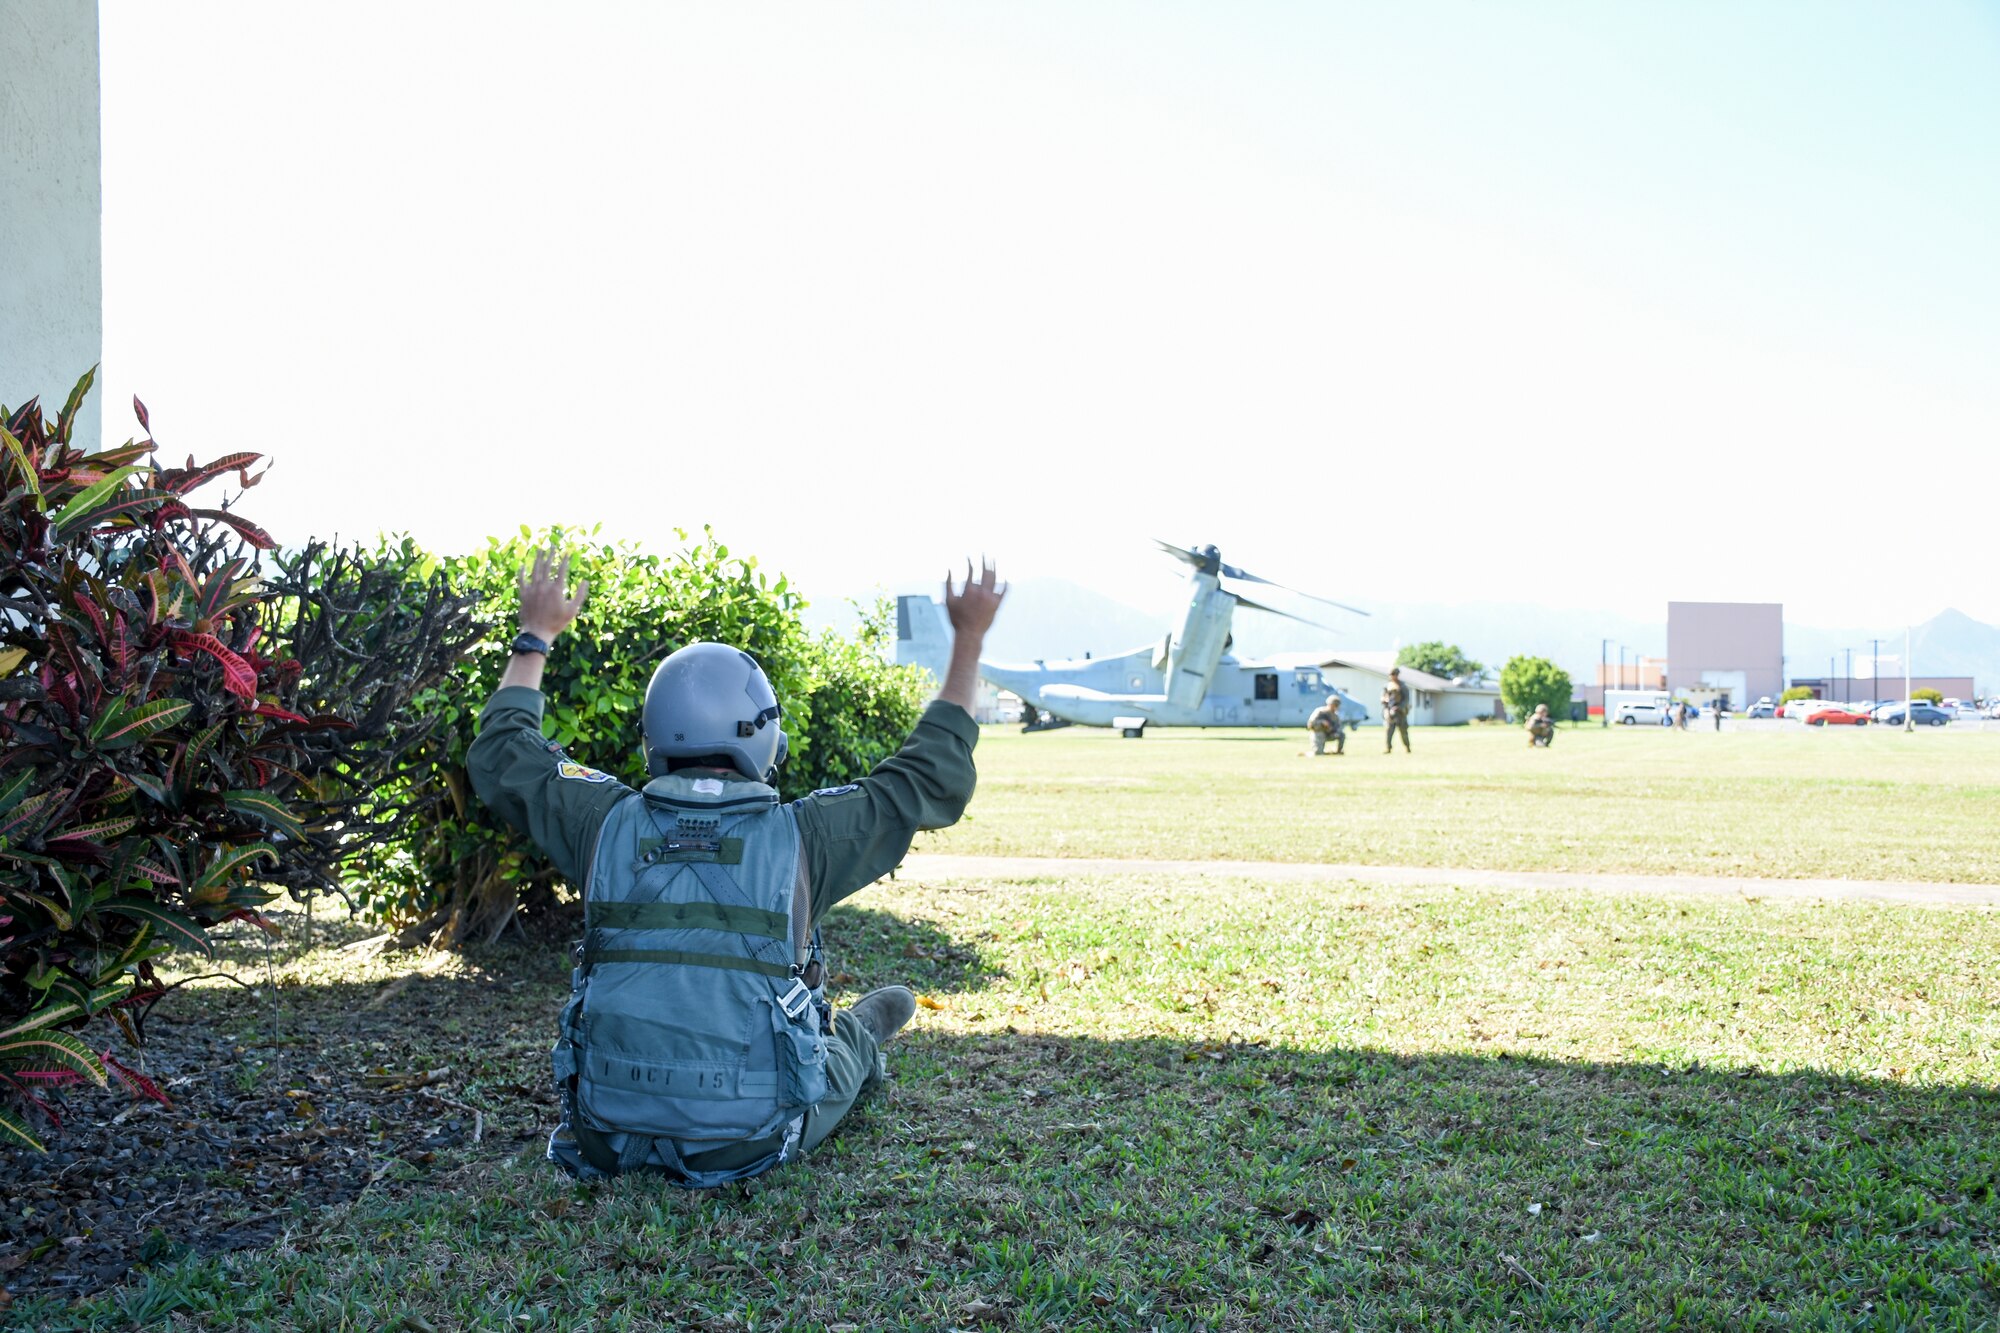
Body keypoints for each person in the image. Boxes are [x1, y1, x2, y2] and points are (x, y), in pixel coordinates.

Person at [470, 550, 1005, 1184]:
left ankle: (845, 1035)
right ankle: (858, 1036)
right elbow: (930, 774)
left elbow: (504, 752)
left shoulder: (601, 821)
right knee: (840, 1050)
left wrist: (537, 635)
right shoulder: (807, 836)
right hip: (749, 1144)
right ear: (760, 733)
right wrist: (969, 637)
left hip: (605, 1135)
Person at [1381, 666, 1411, 754]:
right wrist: (1384, 700)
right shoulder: (1387, 686)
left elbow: (1406, 699)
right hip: (1390, 712)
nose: (1393, 676)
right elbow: (1383, 696)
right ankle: (1388, 748)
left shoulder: (1402, 686)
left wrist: (1400, 707)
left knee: (1403, 731)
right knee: (1389, 731)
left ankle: (1407, 747)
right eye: (1392, 674)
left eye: (1395, 674)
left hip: (1400, 712)